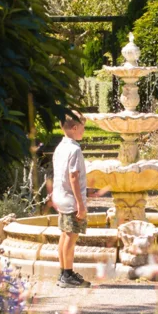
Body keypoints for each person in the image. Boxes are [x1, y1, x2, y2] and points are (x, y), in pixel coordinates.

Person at [52, 111, 91, 288]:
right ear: (75, 128)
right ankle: (67, 274)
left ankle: (64, 272)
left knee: (64, 235)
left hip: (60, 197)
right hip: (71, 200)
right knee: (71, 237)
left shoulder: (60, 147)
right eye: (83, 127)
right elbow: (73, 176)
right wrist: (80, 205)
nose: (84, 130)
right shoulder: (74, 149)